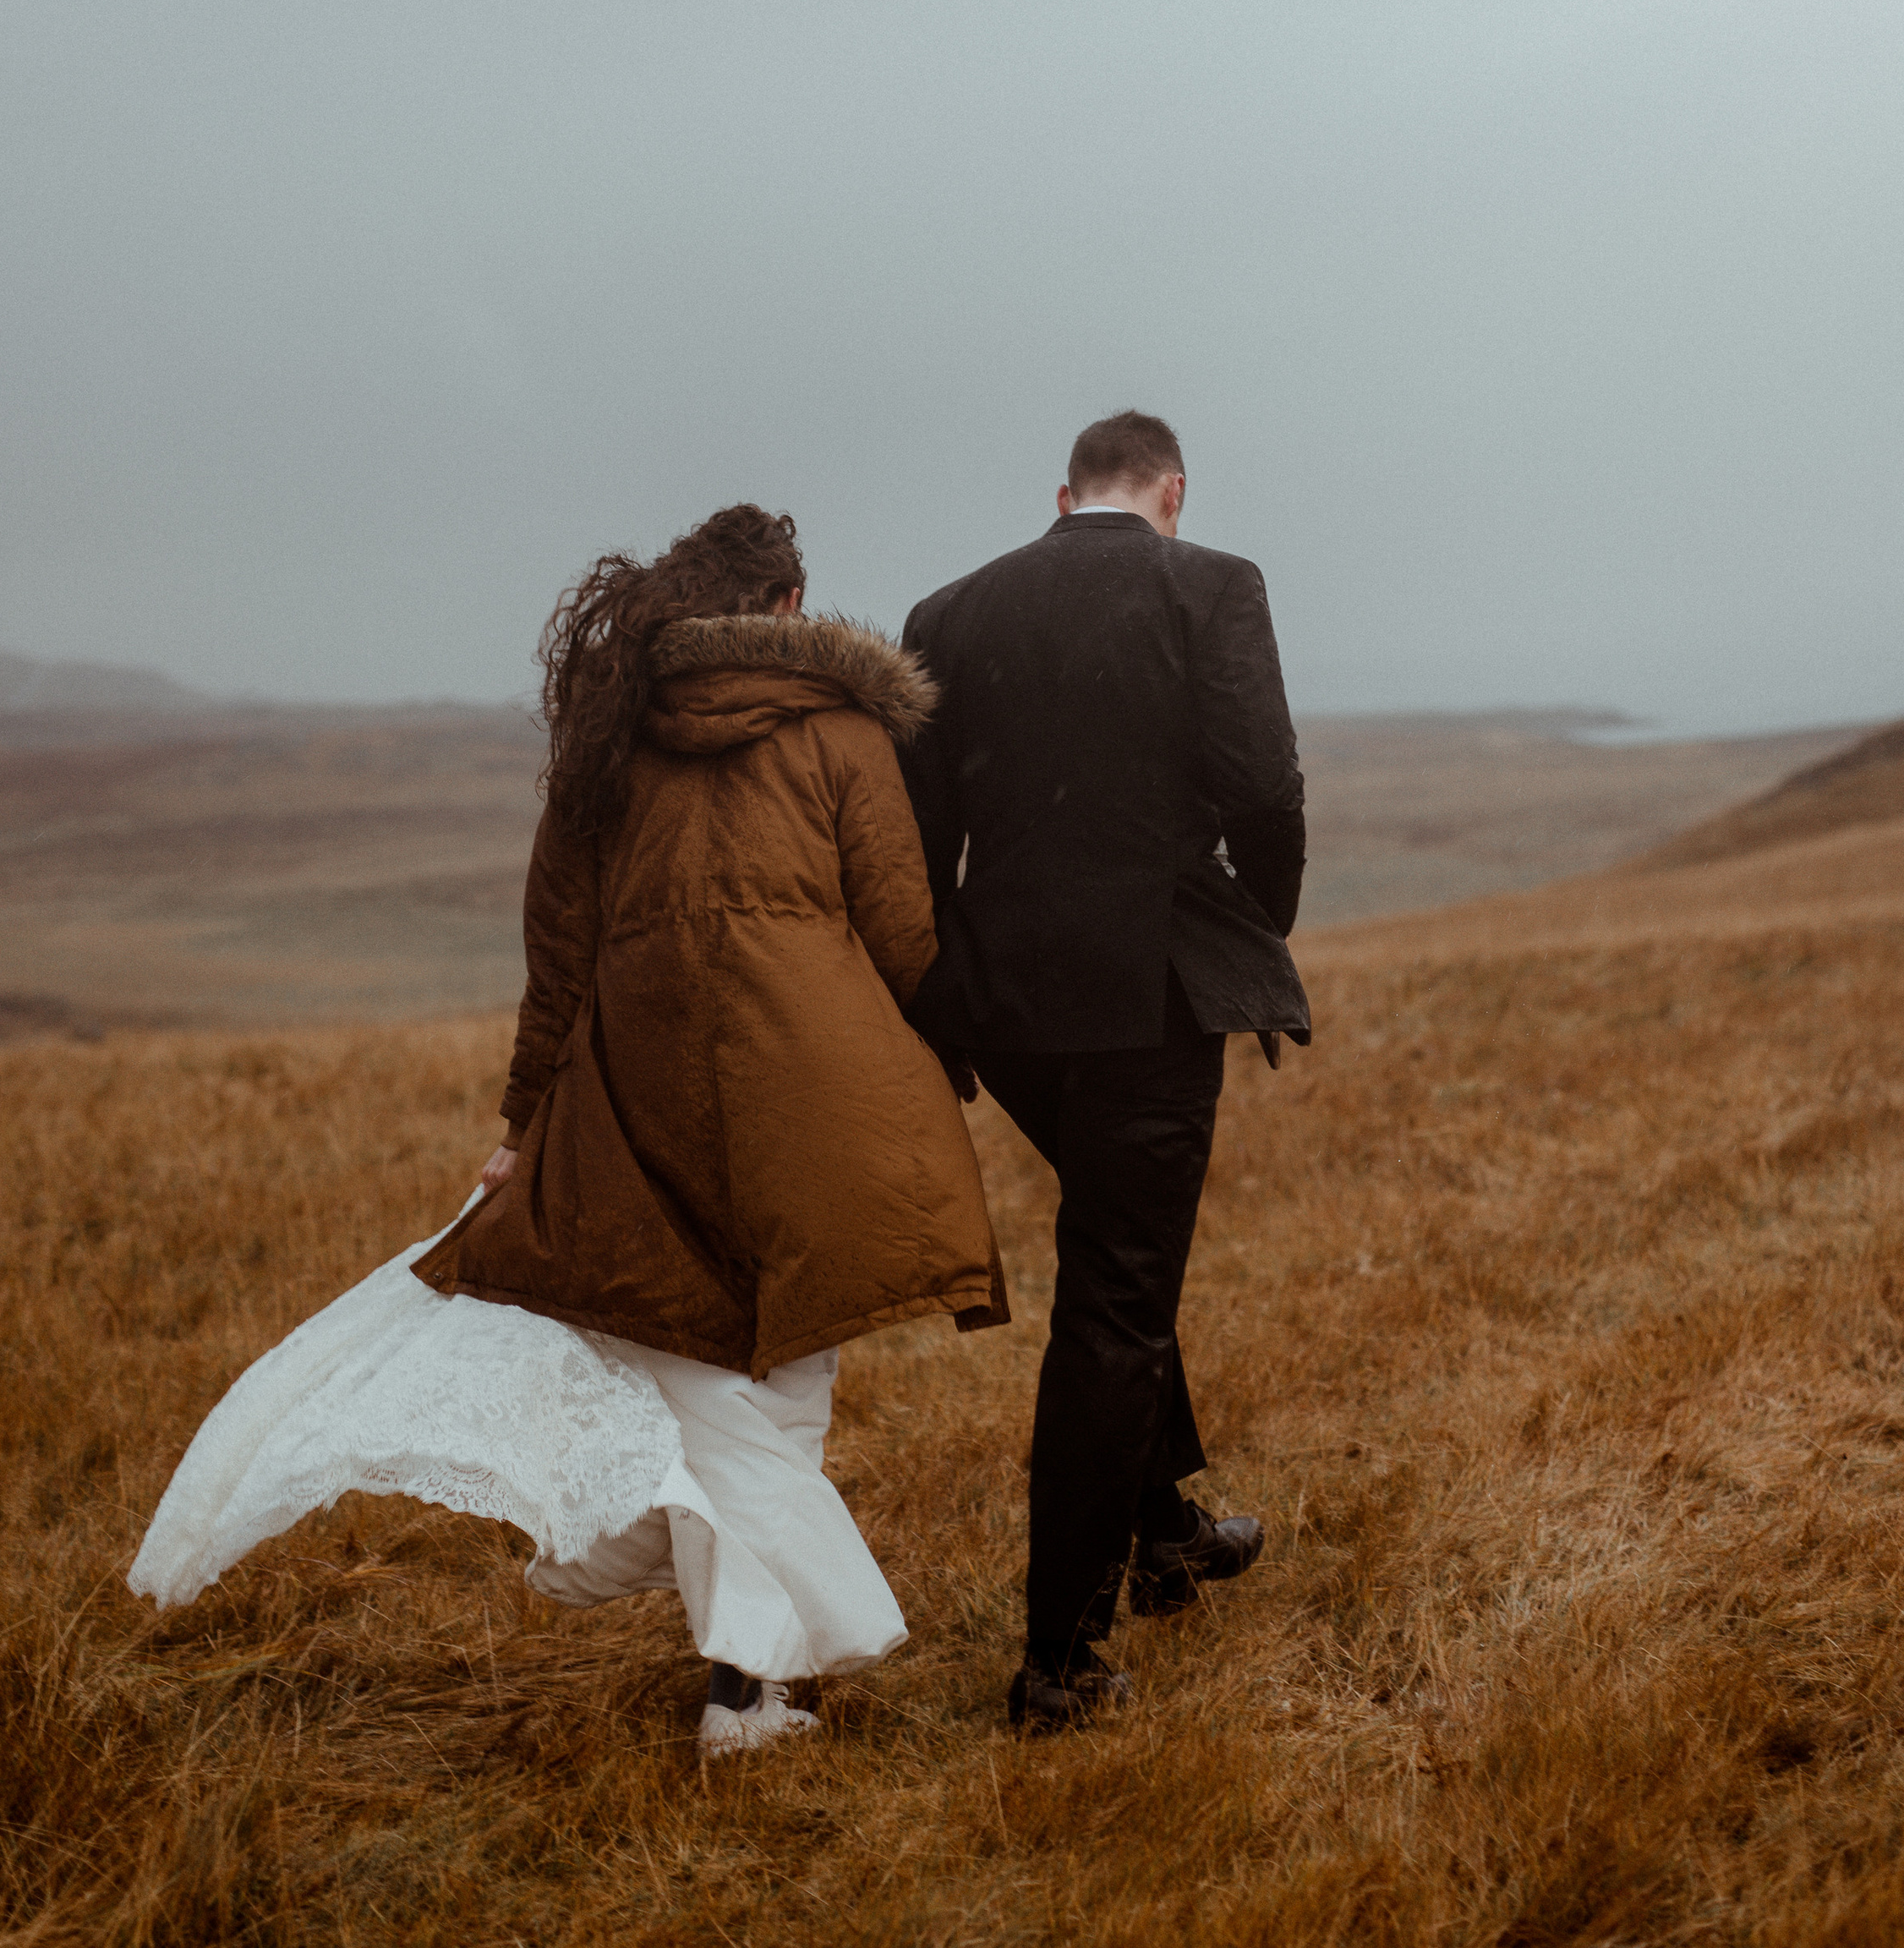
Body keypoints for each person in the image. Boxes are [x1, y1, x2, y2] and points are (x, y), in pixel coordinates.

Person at [131, 503, 1007, 1757]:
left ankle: (748, 1686)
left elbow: (558, 959)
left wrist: (527, 1121)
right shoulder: (843, 729)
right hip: (818, 1087)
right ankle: (761, 1679)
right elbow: (905, 929)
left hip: (638, 1096)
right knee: (783, 1370)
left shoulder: (610, 738)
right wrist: (971, 1053)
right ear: (781, 612)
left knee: (702, 1371)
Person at [899, 412, 1308, 1734]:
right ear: (1172, 492)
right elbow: (1264, 788)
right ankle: (1058, 1666)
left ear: (1063, 494)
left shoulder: (948, 611)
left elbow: (918, 845)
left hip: (1010, 1007)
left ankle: (1168, 1530)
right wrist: (1257, 920)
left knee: (1115, 1253)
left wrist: (948, 1005)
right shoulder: (1213, 584)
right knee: (1116, 1307)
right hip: (1147, 997)